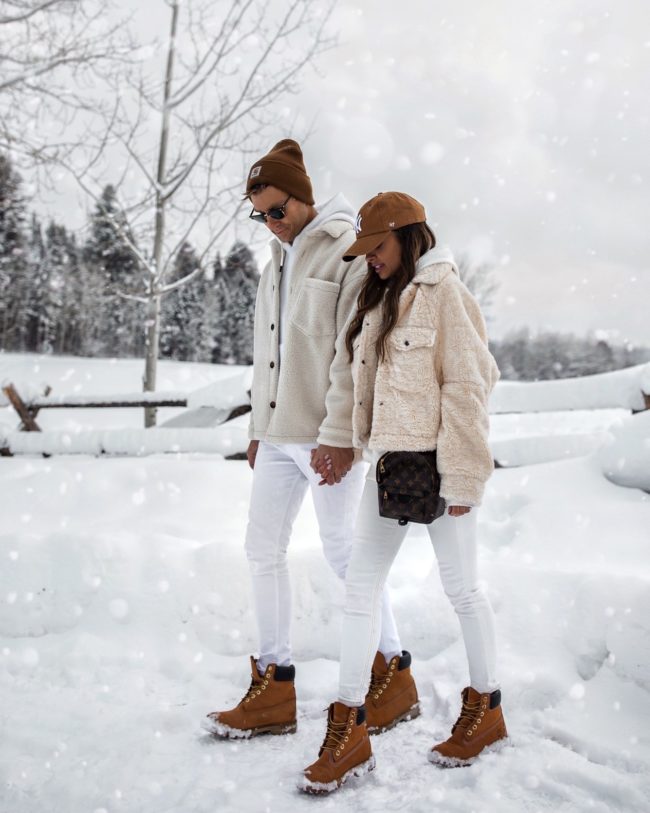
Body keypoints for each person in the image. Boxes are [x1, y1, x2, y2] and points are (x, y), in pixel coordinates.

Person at [203, 143, 420, 740]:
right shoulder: (276, 262)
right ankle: (274, 684)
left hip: (325, 437)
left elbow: (355, 350)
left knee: (346, 551)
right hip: (277, 435)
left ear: (302, 195)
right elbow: (265, 354)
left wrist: (340, 436)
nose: (270, 224)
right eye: (260, 216)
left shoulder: (345, 251)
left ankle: (394, 672)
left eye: (276, 210)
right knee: (261, 550)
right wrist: (255, 429)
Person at [299, 191, 506, 794]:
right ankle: (349, 725)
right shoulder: (377, 298)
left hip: (441, 465)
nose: (372, 260)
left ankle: (487, 706)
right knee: (359, 591)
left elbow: (468, 388)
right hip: (390, 464)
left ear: (410, 237)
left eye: (379, 247)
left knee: (462, 589)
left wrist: (465, 476)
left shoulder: (446, 297)